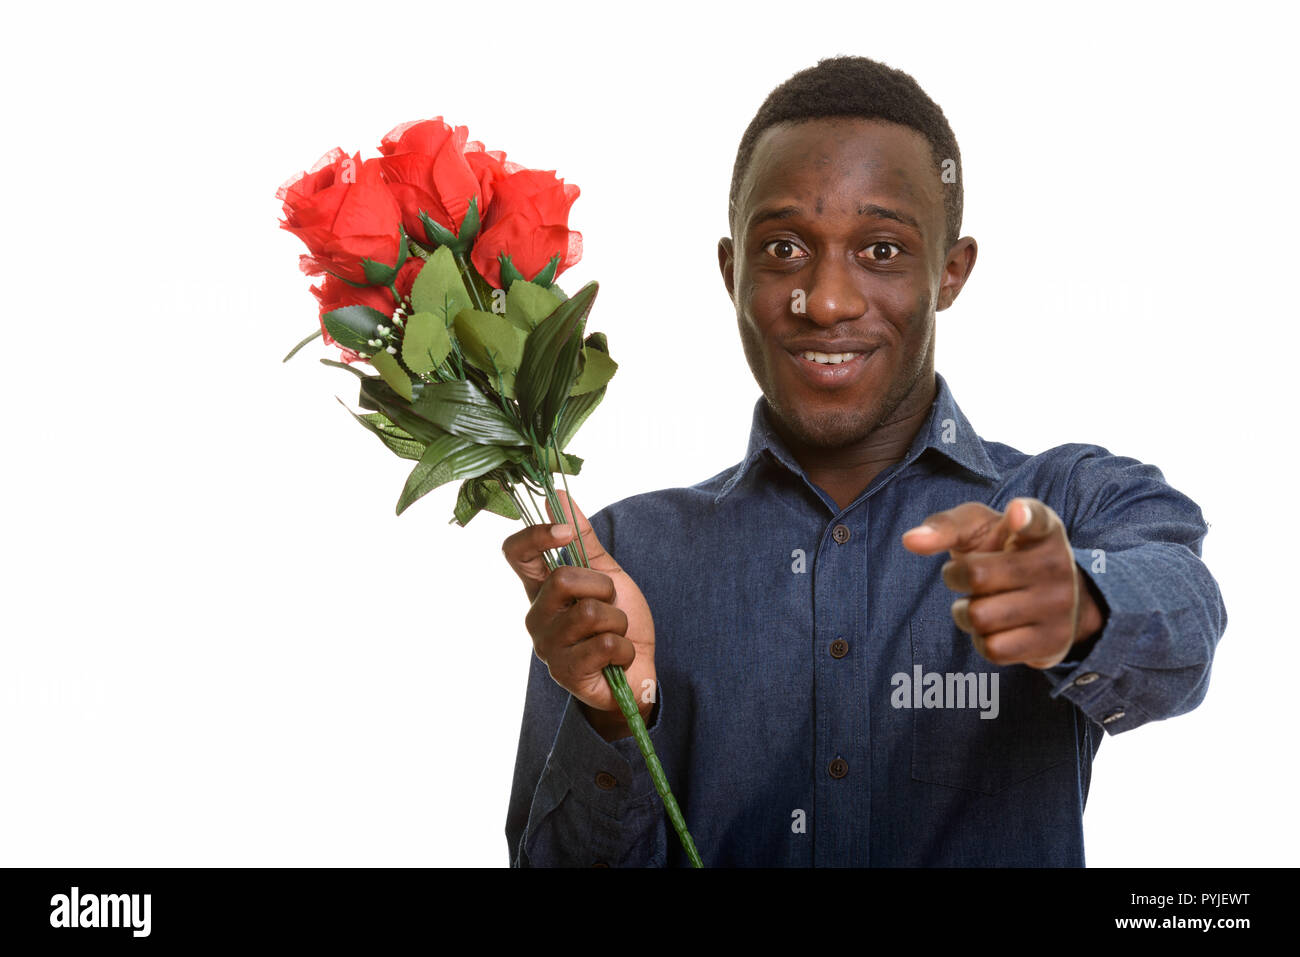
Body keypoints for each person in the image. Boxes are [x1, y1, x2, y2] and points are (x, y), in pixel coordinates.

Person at [501, 55, 1227, 867]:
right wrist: (616, 714)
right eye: (782, 248)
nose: (830, 300)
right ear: (730, 270)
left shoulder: (1066, 499)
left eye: (881, 251)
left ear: (950, 271)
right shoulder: (623, 556)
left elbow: (1186, 620)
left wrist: (1082, 604)